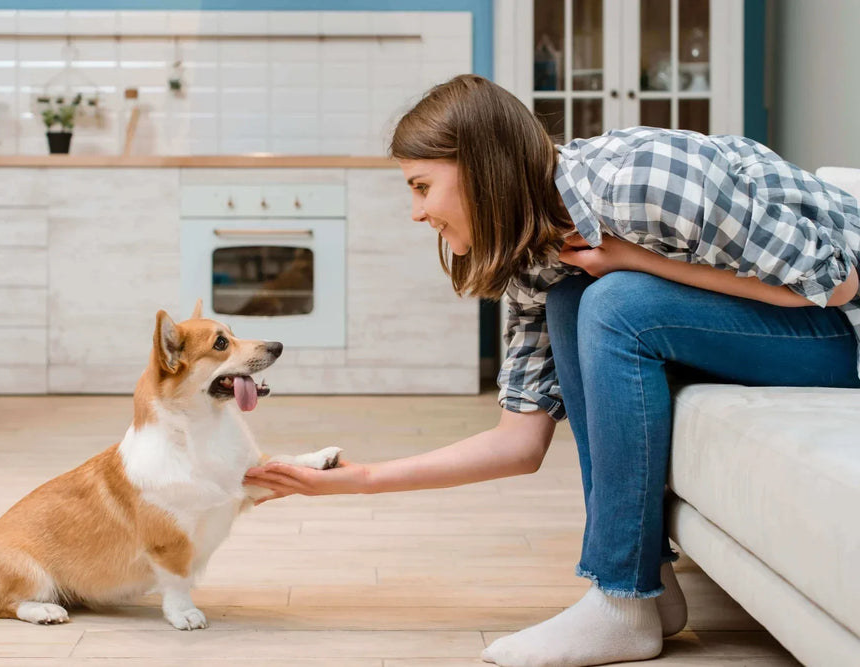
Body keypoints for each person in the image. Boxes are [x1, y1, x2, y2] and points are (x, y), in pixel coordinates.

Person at [243, 74, 860, 667]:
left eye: (421, 186)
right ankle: (648, 585)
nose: (415, 212)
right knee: (578, 296)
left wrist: (632, 260)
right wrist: (357, 480)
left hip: (844, 327)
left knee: (617, 301)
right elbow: (521, 441)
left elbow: (835, 284)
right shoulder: (539, 253)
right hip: (788, 323)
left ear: (483, 168)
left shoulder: (643, 182)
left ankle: (620, 599)